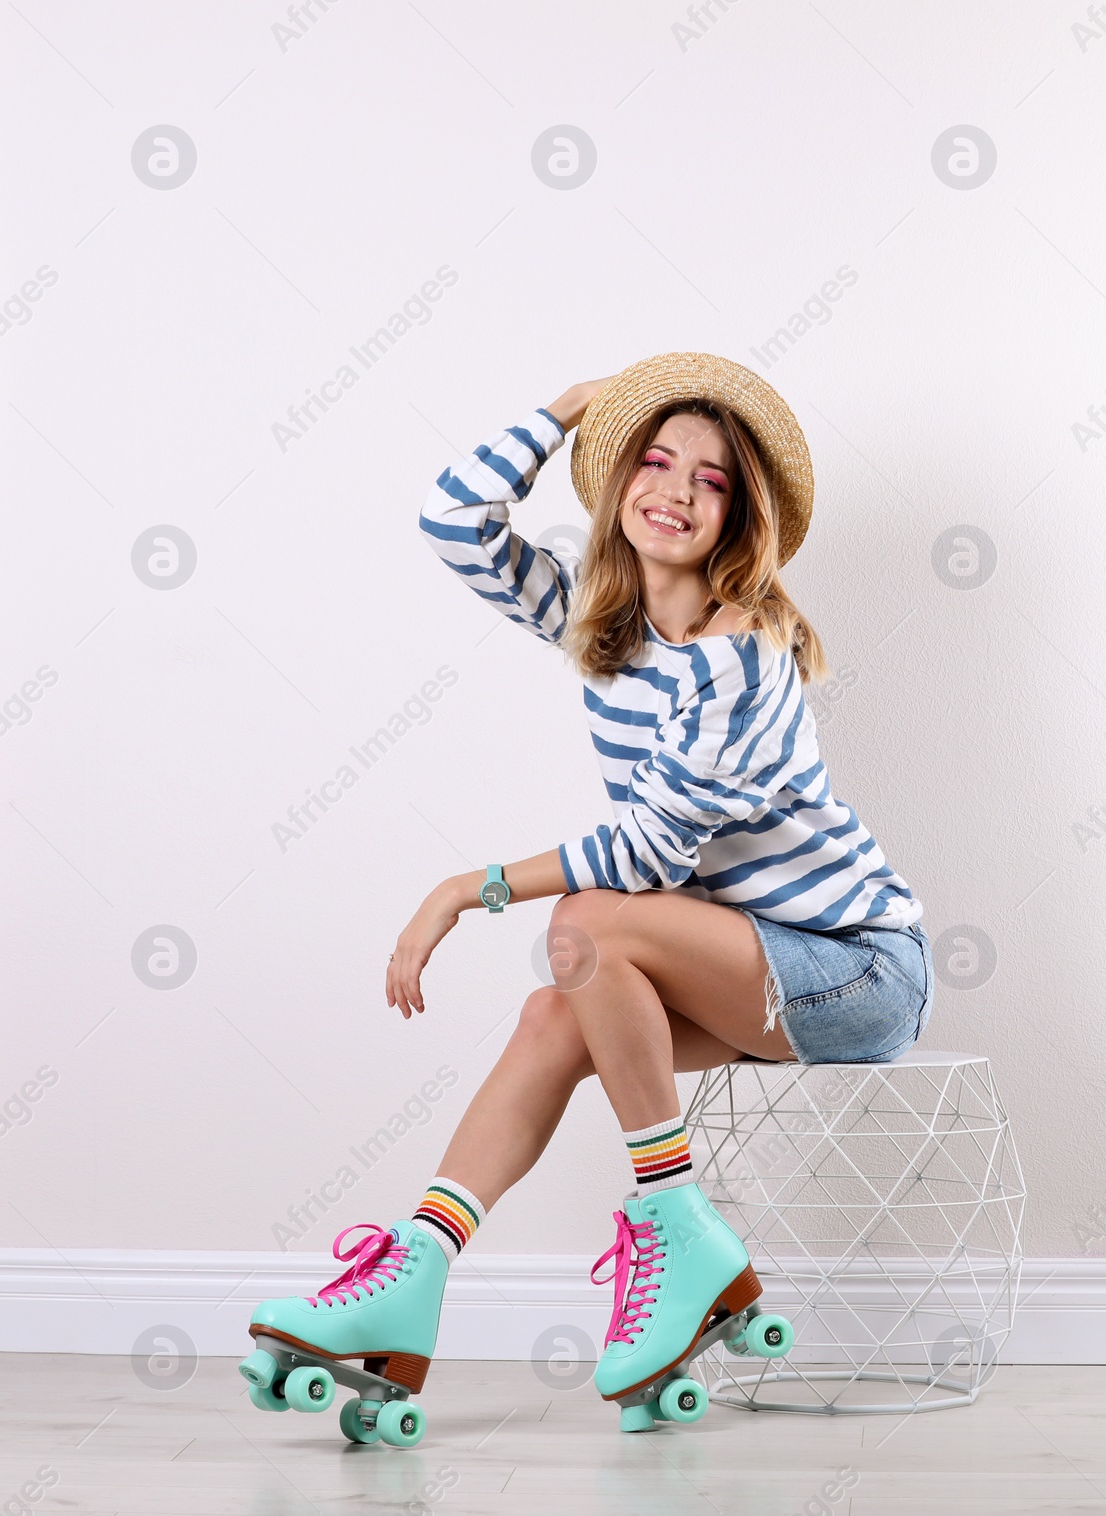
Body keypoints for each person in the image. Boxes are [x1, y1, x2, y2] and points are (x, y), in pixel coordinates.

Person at [240, 352, 933, 1437]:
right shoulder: (601, 624)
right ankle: (416, 1270)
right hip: (739, 954)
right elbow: (453, 519)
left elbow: (650, 853)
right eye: (653, 461)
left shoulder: (738, 657)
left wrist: (462, 891)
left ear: (736, 514)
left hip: (853, 966)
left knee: (583, 924)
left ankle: (675, 1219)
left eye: (708, 479)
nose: (673, 488)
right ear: (616, 487)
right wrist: (569, 409)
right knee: (553, 1006)